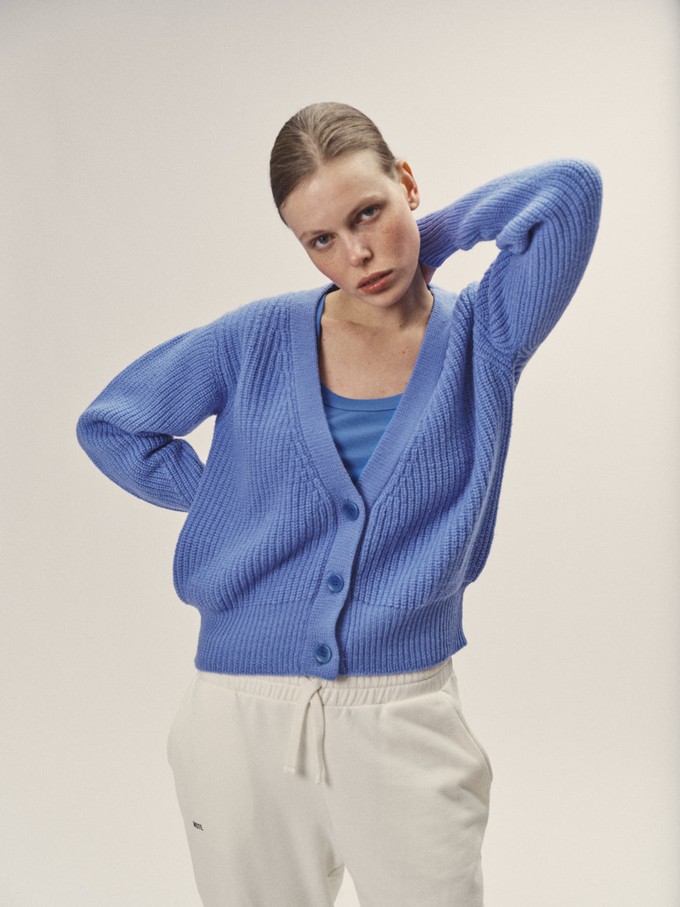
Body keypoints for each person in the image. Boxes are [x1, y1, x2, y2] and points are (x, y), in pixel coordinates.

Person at [75, 101, 603, 906]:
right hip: (237, 718)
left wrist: (429, 241)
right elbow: (115, 423)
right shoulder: (254, 338)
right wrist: (224, 499)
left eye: (369, 213)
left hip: (403, 713)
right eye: (320, 239)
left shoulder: (484, 336)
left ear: (408, 184)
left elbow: (570, 192)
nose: (356, 254)